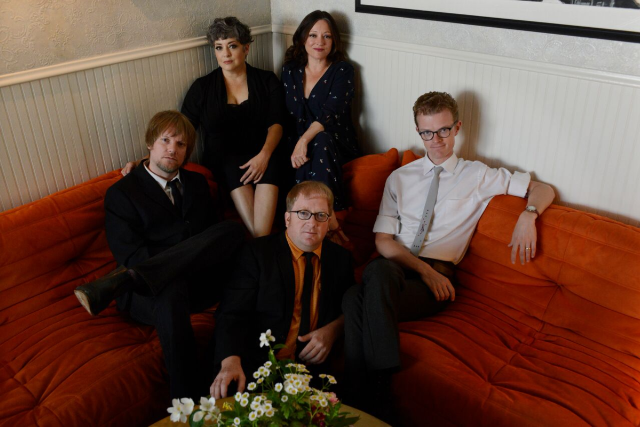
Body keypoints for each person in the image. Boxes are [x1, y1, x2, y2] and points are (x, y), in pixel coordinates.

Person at [342, 91, 556, 421]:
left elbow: (543, 189)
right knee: (372, 278)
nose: (436, 140)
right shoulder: (399, 178)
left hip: (435, 285)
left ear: (457, 128)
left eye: (443, 130)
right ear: (418, 132)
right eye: (427, 132)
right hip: (401, 269)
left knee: (356, 296)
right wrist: (424, 271)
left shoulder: (479, 175)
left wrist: (529, 215)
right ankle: (378, 399)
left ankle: (359, 400)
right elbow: (383, 241)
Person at [74, 110, 245, 399]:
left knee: (232, 231)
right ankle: (187, 402)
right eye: (165, 140)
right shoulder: (122, 193)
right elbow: (130, 255)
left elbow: (210, 240)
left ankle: (122, 280)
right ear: (150, 143)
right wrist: (174, 266)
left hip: (200, 282)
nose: (172, 149)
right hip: (147, 293)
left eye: (180, 144)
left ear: (187, 151)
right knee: (168, 287)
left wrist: (182, 260)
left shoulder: (198, 183)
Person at [123, 17, 285, 238]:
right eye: (219, 47)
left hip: (264, 154)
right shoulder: (202, 88)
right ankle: (262, 242)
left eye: (232, 46)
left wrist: (264, 156)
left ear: (246, 48)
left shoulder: (267, 80)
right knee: (231, 165)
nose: (225, 54)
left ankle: (260, 243)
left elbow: (276, 123)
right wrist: (144, 160)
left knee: (272, 165)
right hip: (224, 162)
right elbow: (180, 132)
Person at [209, 181, 355, 399]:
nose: (312, 223)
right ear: (287, 219)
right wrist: (230, 360)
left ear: (328, 222)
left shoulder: (341, 259)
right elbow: (231, 313)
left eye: (320, 215)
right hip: (258, 367)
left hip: (313, 372)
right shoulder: (256, 254)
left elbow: (352, 306)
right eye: (303, 213)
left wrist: (333, 330)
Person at [282, 10, 361, 241]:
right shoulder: (290, 70)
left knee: (321, 141)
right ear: (303, 38)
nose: (320, 42)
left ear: (334, 41)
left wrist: (303, 141)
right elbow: (286, 113)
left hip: (335, 141)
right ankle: (322, 224)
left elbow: (330, 115)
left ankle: (325, 220)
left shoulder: (343, 70)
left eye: (327, 36)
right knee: (300, 154)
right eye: (313, 35)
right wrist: (297, 143)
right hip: (297, 140)